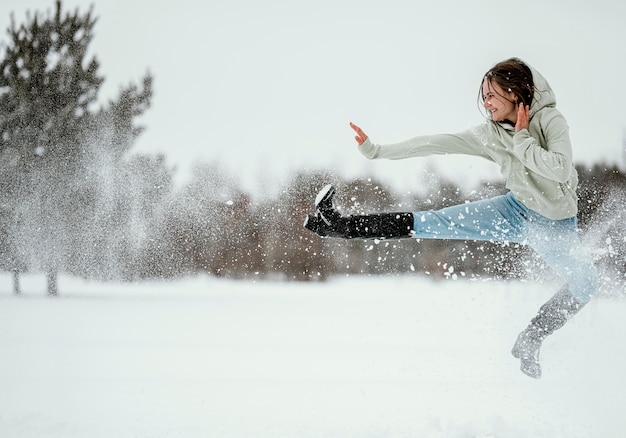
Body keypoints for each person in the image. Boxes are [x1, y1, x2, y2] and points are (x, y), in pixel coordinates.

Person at [304, 57, 598, 379]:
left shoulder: (551, 121)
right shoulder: (491, 133)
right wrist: (377, 151)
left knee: (586, 283)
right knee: (434, 222)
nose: (486, 104)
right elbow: (434, 142)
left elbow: (559, 168)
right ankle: (340, 225)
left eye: (492, 95)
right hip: (515, 210)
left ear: (515, 93)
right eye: (483, 96)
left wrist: (523, 138)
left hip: (554, 226)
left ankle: (532, 337)